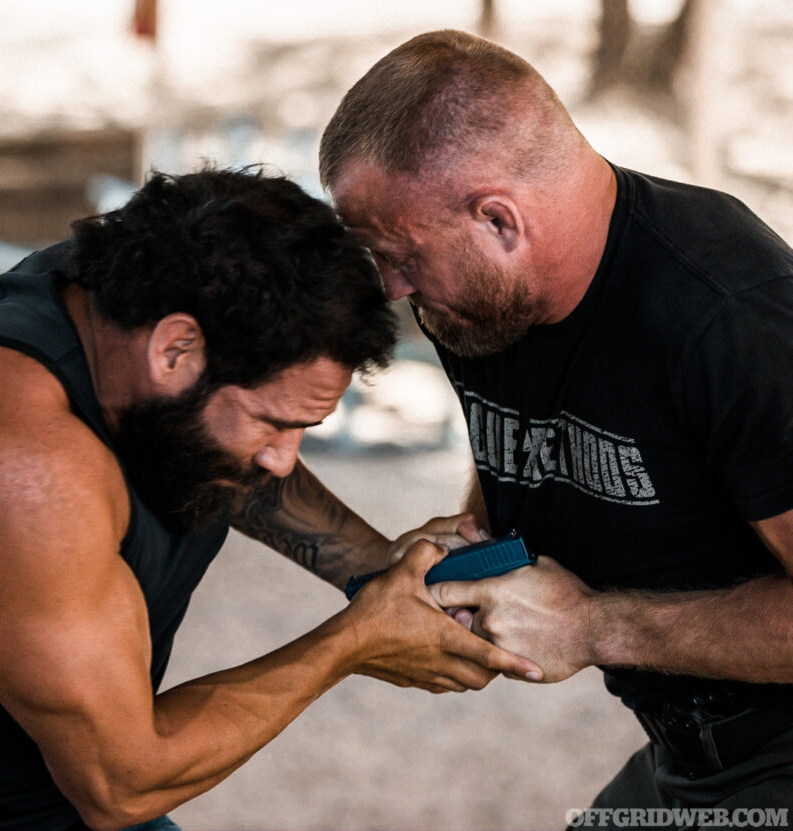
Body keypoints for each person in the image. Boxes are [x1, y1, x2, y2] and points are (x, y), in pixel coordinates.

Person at [0, 167, 541, 831]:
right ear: (177, 349)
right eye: (275, 421)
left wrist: (375, 568)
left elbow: (213, 450)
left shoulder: (128, 305)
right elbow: (122, 781)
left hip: (40, 798)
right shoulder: (16, 468)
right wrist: (354, 640)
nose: (282, 459)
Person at [319, 29, 793, 822]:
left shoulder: (726, 313)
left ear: (499, 222)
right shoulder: (475, 300)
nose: (392, 290)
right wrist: (478, 544)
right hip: (688, 750)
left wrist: (593, 625)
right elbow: (532, 442)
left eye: (399, 258)